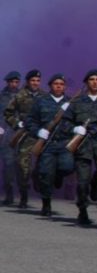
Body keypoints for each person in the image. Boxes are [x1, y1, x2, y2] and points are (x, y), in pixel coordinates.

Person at [26, 74, 75, 217]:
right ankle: (46, 204)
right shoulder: (41, 101)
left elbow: (77, 120)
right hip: (47, 144)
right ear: (50, 86)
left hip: (64, 142)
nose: (59, 86)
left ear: (65, 87)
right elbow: (30, 121)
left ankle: (58, 175)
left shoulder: (71, 103)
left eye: (61, 84)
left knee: (68, 167)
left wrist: (76, 129)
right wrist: (38, 131)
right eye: (55, 83)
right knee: (46, 174)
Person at [64, 69, 97, 225]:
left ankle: (96, 182)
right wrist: (74, 129)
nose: (95, 82)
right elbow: (65, 122)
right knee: (82, 182)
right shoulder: (77, 102)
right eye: (91, 79)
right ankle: (83, 211)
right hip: (83, 144)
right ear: (86, 82)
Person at [3, 69, 43, 209]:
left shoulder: (45, 96)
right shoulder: (19, 95)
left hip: (40, 135)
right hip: (22, 134)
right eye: (33, 80)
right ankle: (22, 197)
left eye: (38, 81)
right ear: (27, 82)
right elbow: (7, 113)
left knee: (42, 166)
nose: (35, 83)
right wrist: (16, 123)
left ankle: (39, 186)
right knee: (20, 166)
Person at [0, 71, 21, 205]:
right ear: (7, 82)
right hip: (5, 133)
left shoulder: (22, 96)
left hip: (20, 133)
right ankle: (9, 194)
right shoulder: (1, 96)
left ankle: (23, 194)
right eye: (12, 82)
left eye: (16, 82)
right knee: (8, 164)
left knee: (21, 165)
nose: (14, 84)